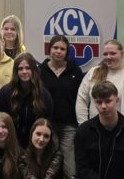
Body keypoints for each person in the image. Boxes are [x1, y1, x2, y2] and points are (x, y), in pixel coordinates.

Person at [74, 81, 124, 179]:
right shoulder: (83, 132)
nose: (103, 106)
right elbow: (82, 168)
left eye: (108, 101)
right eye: (99, 102)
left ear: (117, 100)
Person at [40, 34, 83, 179]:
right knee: (48, 164)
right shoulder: (40, 71)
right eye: (55, 48)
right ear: (49, 49)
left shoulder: (75, 71)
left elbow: (80, 98)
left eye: (62, 49)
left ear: (67, 52)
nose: (58, 51)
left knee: (70, 168)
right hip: (46, 125)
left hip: (69, 125)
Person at [0, 52, 54, 148]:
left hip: (35, 146)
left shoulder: (44, 95)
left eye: (28, 68)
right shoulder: (5, 92)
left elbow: (48, 124)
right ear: (16, 71)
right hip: (9, 145)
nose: (24, 72)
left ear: (34, 70)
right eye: (20, 69)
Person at [76, 39, 124, 124]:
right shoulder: (93, 72)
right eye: (105, 54)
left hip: (122, 127)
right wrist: (83, 125)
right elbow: (81, 100)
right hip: (94, 127)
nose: (108, 57)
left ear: (122, 54)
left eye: (112, 53)